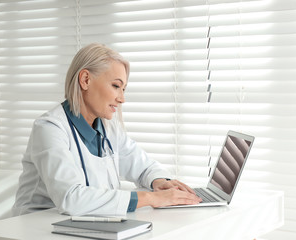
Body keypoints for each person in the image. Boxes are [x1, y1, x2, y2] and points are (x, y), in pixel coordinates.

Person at [12, 43, 202, 217]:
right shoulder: (50, 128)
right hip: (36, 227)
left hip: (83, 224)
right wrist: (151, 199)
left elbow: (143, 166)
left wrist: (158, 182)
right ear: (85, 80)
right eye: (116, 86)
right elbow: (71, 198)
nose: (122, 99)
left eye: (124, 89)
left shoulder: (108, 128)